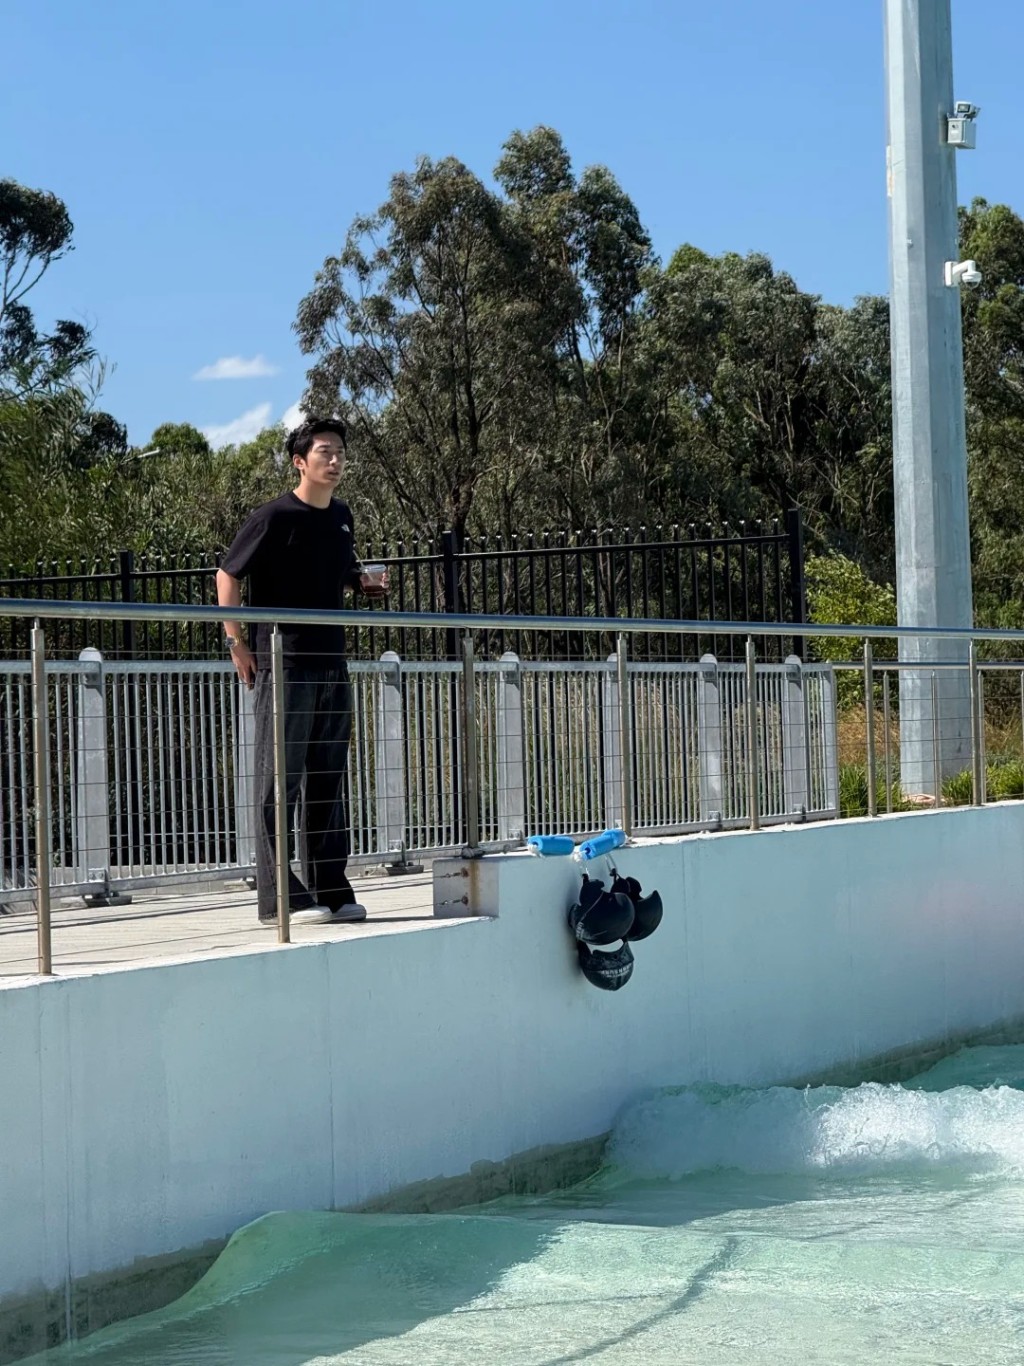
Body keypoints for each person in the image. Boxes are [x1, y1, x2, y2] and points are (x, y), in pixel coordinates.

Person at [216, 418, 387, 925]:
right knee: (279, 782)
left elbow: (337, 571)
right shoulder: (273, 516)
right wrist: (236, 643)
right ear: (299, 461)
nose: (335, 461)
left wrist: (361, 582)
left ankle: (330, 889)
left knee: (328, 780)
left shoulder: (341, 516)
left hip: (332, 661)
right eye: (324, 452)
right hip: (284, 663)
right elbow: (227, 575)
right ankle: (280, 900)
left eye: (340, 453)